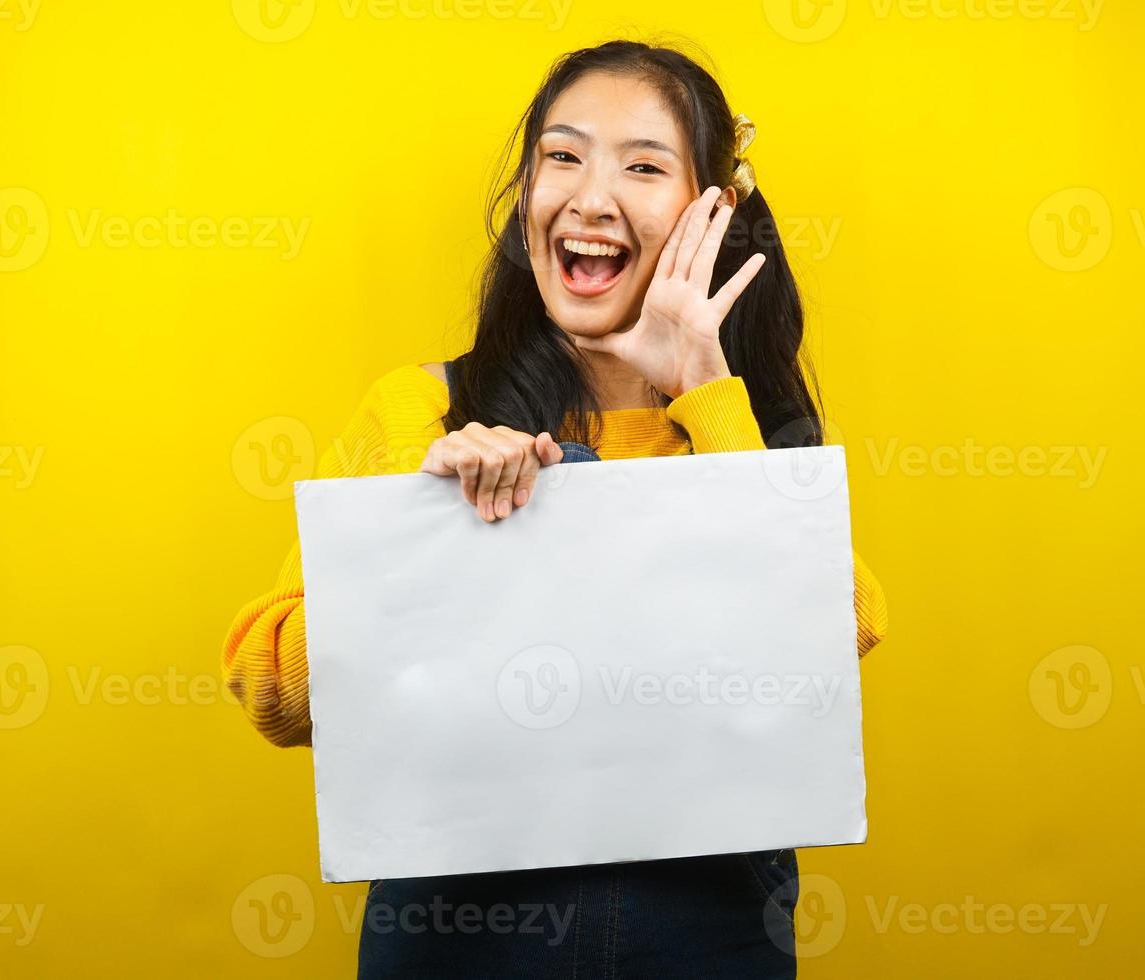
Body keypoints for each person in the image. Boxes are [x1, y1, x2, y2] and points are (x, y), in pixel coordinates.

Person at [223, 37, 889, 979]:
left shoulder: (738, 420)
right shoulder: (418, 410)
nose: (589, 198)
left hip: (706, 936)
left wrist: (706, 388)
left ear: (711, 211)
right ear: (527, 197)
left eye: (644, 167)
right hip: (459, 944)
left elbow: (843, 630)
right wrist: (425, 528)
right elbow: (270, 692)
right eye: (562, 157)